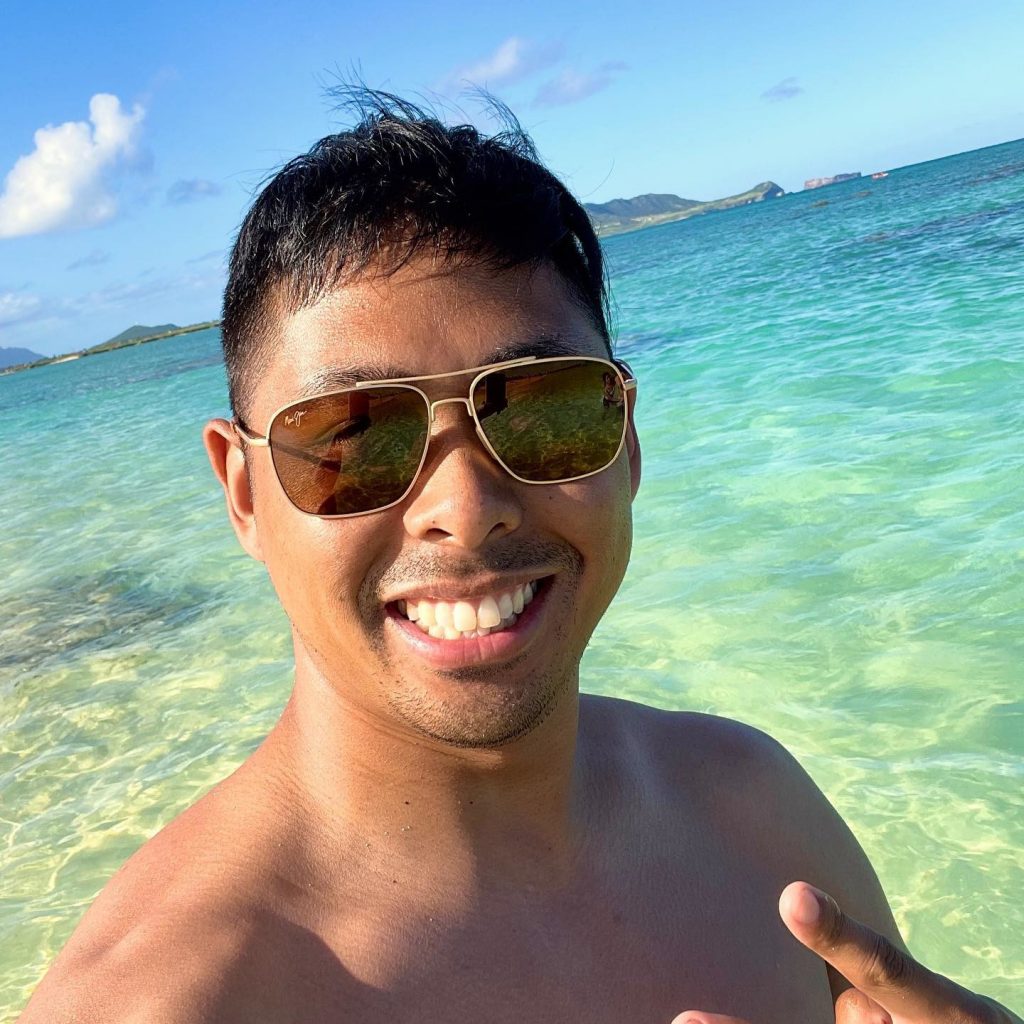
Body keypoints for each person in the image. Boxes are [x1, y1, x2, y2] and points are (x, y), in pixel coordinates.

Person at [18, 92, 1019, 1024]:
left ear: (625, 440)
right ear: (242, 492)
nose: (466, 508)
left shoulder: (752, 802)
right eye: (354, 436)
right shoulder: (163, 999)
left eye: (543, 408)